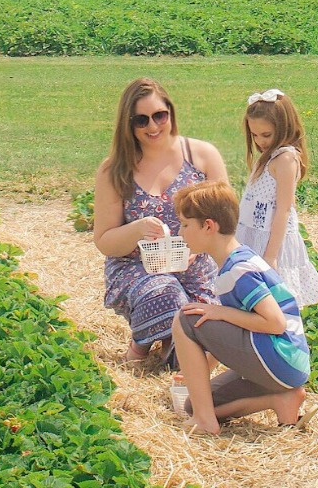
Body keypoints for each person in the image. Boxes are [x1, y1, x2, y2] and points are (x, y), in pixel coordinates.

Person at [94, 76, 229, 366]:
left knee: (205, 341)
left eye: (159, 116)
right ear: (128, 124)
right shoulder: (114, 169)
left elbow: (226, 219)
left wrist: (198, 249)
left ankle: (170, 347)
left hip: (196, 267)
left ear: (171, 111)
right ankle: (141, 345)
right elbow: (104, 241)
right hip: (138, 268)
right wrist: (137, 230)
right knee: (167, 297)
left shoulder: (201, 155)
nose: (153, 127)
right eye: (141, 120)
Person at [172, 180, 311, 435]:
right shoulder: (238, 260)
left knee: (185, 318)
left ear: (208, 226)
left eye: (184, 225)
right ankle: (279, 400)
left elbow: (274, 322)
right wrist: (200, 368)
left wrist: (219, 312)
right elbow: (239, 323)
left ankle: (205, 422)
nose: (180, 233)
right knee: (196, 403)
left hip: (279, 356)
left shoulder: (239, 270)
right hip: (287, 365)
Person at [236, 89, 318, 306]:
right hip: (254, 234)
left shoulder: (285, 159)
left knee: (277, 303)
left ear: (283, 128)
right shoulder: (267, 157)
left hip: (273, 241)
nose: (259, 141)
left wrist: (271, 256)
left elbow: (283, 210)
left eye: (266, 135)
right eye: (254, 135)